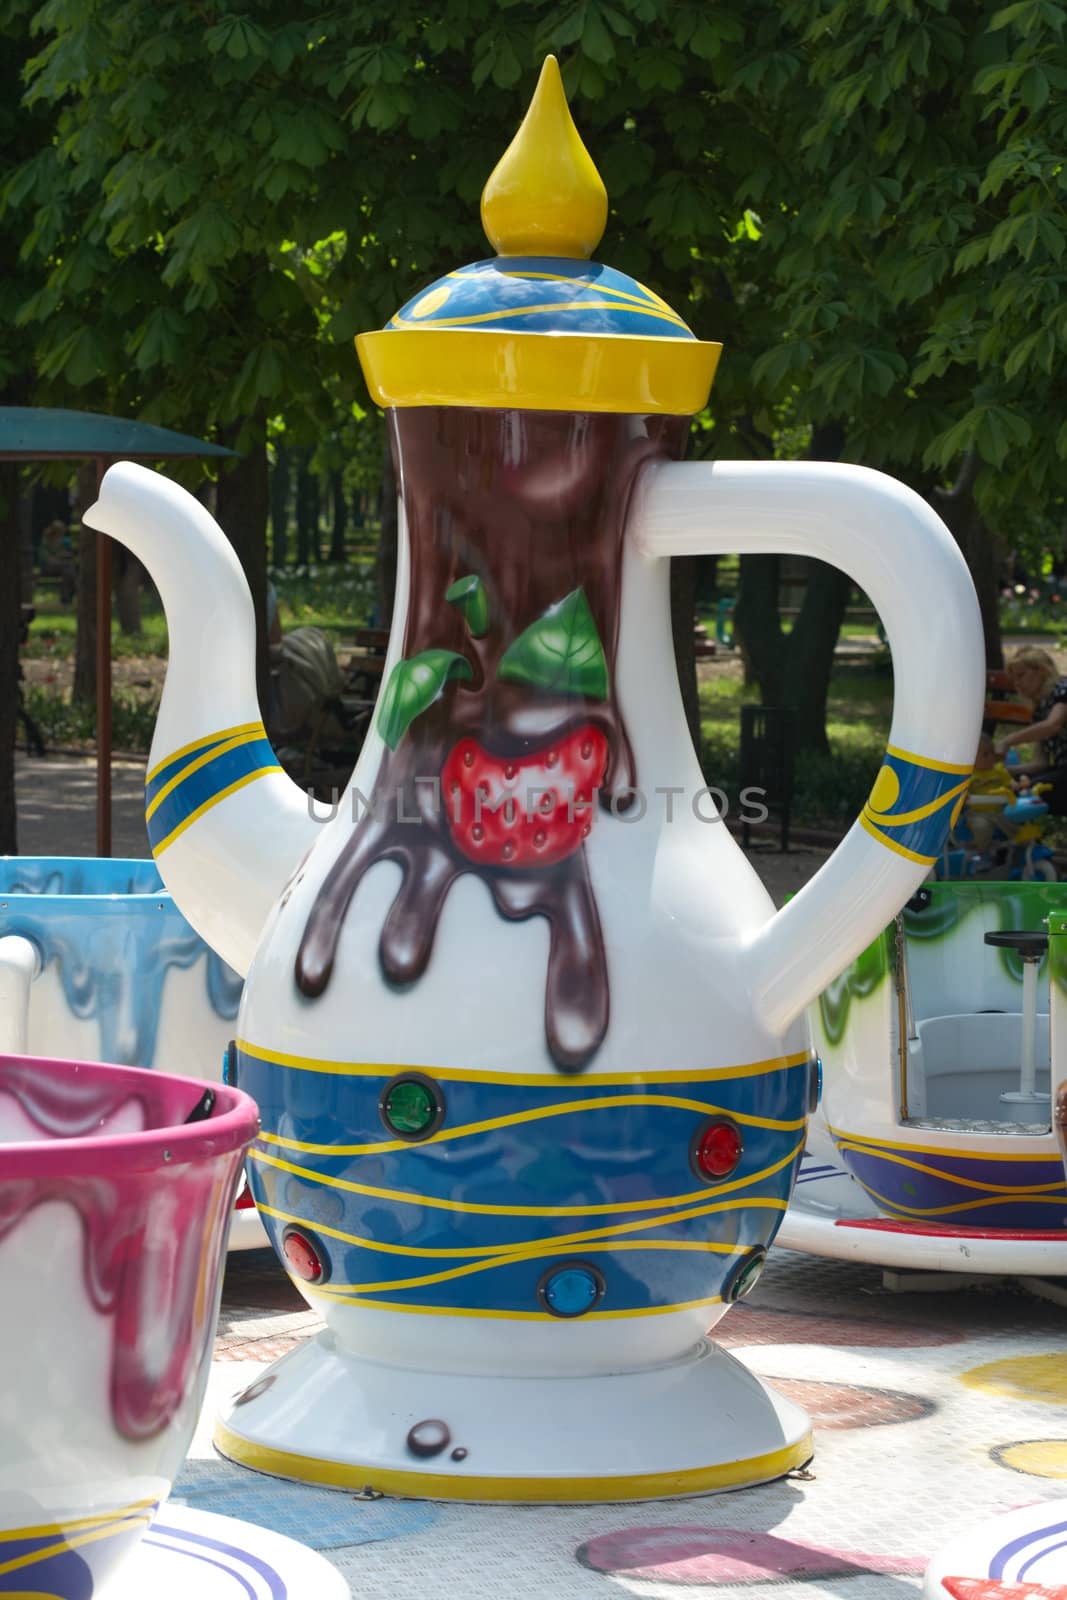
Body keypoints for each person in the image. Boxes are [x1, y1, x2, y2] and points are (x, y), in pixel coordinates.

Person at [994, 647, 1067, 813]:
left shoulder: (1063, 689)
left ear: (1042, 671)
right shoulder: (1040, 709)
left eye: (1021, 675)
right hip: (1062, 771)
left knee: (1028, 792)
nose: (1017, 684)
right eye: (1014, 680)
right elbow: (1039, 763)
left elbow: (1052, 725)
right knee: (1012, 785)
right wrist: (1002, 773)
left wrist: (1008, 740)